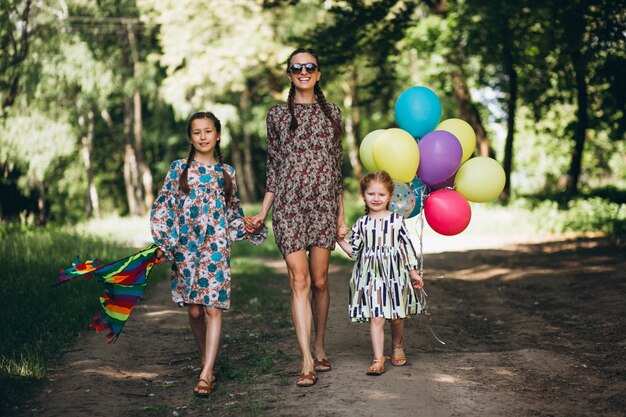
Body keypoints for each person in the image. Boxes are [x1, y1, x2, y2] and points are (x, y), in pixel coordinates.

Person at [247, 47, 347, 387]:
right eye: (296, 67)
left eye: (310, 67)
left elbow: (338, 170)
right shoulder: (276, 115)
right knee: (299, 281)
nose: (303, 71)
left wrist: (341, 218)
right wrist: (263, 210)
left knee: (320, 281)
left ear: (318, 74)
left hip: (323, 207)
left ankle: (319, 345)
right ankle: (305, 359)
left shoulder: (332, 113)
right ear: (290, 75)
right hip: (288, 208)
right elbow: (273, 167)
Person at [150, 111, 266, 397]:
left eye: (208, 131)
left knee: (213, 307)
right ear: (190, 137)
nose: (203, 136)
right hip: (185, 248)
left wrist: (248, 225)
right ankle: (207, 361)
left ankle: (206, 373)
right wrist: (164, 243)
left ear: (218, 135)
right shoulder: (179, 169)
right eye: (197, 132)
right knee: (194, 310)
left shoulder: (227, 173)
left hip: (215, 248)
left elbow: (232, 213)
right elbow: (164, 207)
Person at [337, 171, 424, 375]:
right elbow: (355, 251)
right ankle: (378, 359)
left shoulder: (396, 221)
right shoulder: (361, 223)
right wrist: (339, 240)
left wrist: (413, 272)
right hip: (371, 277)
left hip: (395, 275)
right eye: (371, 194)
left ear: (390, 196)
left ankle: (397, 347)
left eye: (381, 195)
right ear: (364, 195)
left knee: (396, 316)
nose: (376, 198)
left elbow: (406, 247)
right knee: (377, 317)